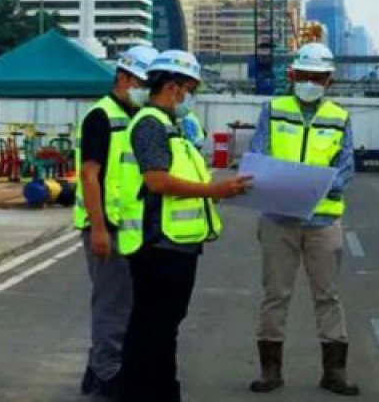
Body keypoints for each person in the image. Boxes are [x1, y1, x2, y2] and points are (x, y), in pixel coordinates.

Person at [116, 49, 253, 402]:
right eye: (190, 89)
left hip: (177, 244)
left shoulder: (171, 126)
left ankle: (161, 391)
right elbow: (157, 181)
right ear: (173, 87)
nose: (191, 97)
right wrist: (215, 190)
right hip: (158, 244)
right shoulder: (150, 124)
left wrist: (220, 190)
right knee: (152, 328)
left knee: (163, 327)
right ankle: (142, 393)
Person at [248, 42, 360, 397]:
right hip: (278, 218)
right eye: (305, 75)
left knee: (328, 296)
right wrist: (290, 186)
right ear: (293, 75)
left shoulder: (339, 117)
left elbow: (346, 167)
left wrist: (318, 186)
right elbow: (259, 155)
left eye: (318, 77)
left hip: (322, 221)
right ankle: (270, 371)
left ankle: (335, 372)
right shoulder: (273, 111)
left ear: (329, 81)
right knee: (275, 294)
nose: (311, 82)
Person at [73, 45, 157, 398]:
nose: (145, 89)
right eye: (141, 82)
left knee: (127, 303)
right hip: (106, 226)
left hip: (131, 228)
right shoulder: (101, 116)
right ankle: (107, 375)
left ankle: (97, 371)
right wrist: (99, 228)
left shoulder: (137, 116)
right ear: (122, 78)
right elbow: (89, 175)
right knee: (113, 305)